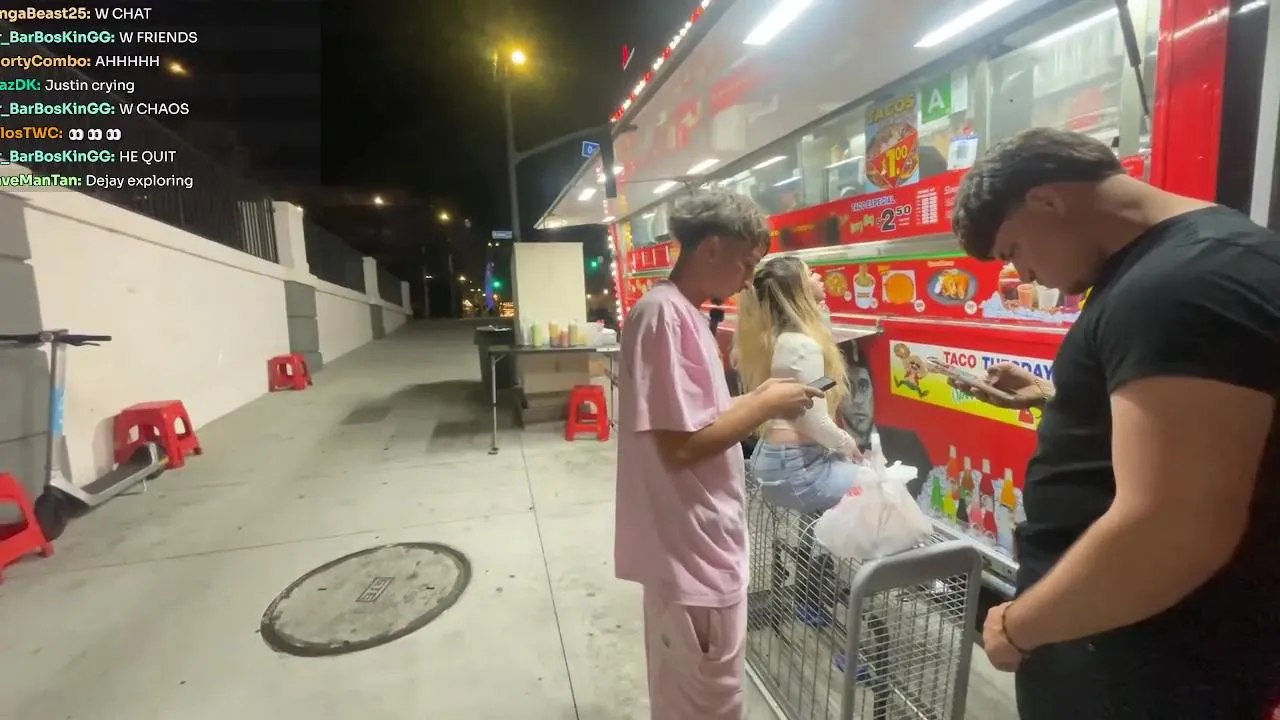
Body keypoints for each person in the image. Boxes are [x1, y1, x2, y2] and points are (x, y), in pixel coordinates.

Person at [948, 127, 1280, 719]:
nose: (1023, 275)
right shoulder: (1198, 259)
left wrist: (1019, 626)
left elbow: (1173, 527)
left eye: (1014, 250)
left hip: (1146, 663)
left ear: (1047, 201)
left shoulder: (1179, 285)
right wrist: (1056, 400)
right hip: (1137, 640)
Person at [614, 189, 825, 719]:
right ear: (711, 247)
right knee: (710, 704)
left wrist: (761, 395)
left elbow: (696, 416)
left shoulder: (679, 313)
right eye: (747, 263)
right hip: (694, 556)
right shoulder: (665, 317)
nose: (749, 280)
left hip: (699, 550)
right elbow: (682, 445)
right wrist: (766, 405)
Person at [734, 255, 862, 513]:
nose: (819, 277)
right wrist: (850, 446)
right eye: (810, 274)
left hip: (780, 459)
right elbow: (815, 420)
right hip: (795, 468)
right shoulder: (803, 345)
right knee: (880, 485)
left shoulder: (783, 339)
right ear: (798, 290)